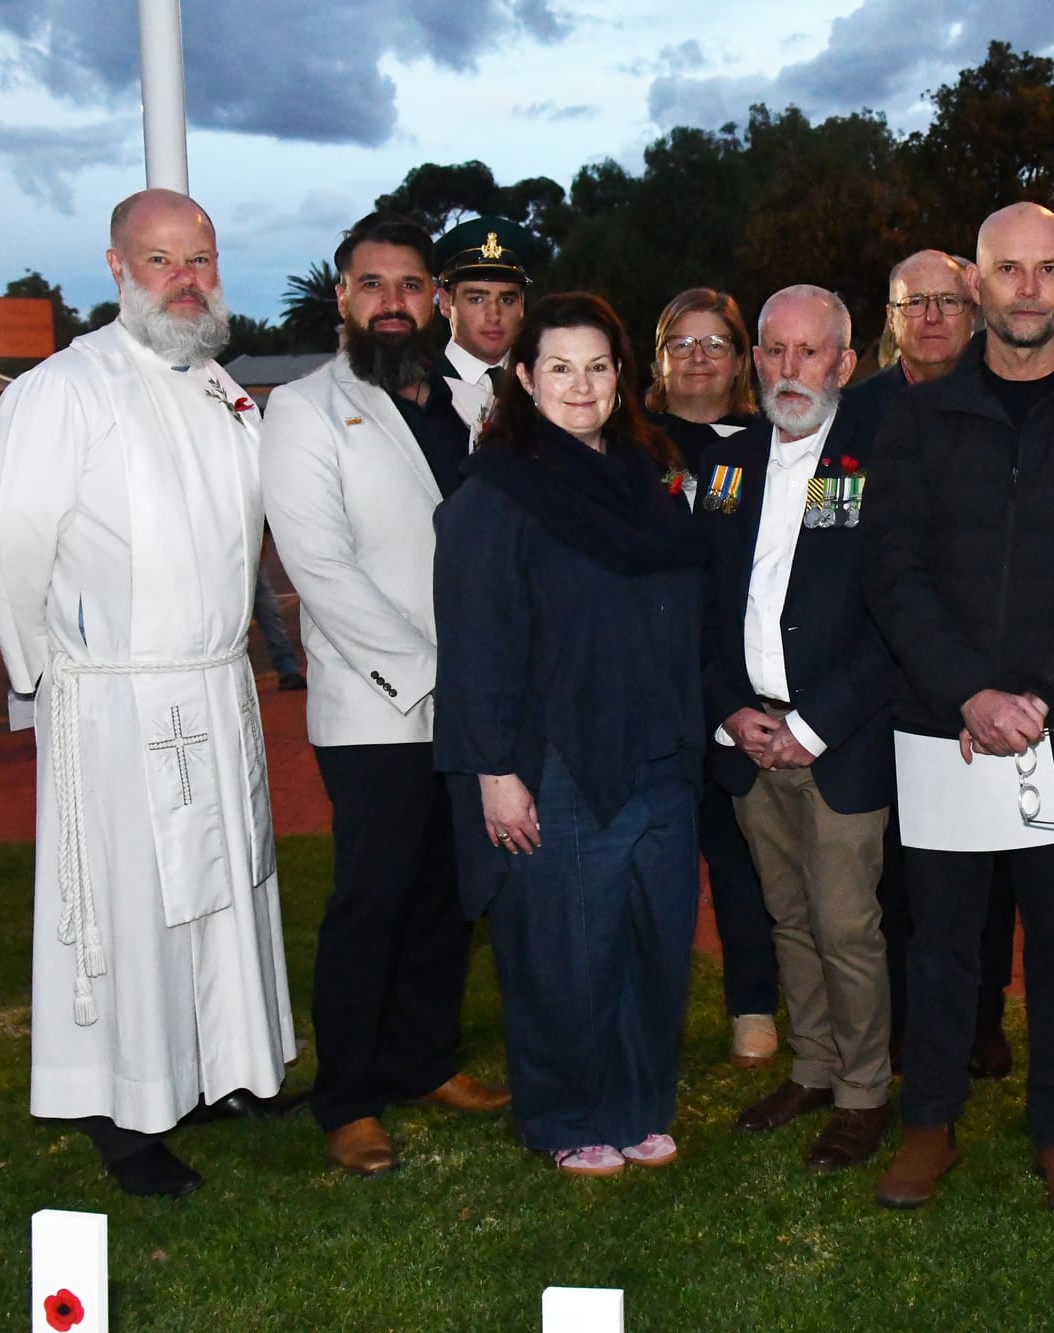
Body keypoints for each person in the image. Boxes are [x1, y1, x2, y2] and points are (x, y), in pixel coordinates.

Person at [0, 188, 297, 1198]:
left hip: (213, 689)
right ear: (116, 268)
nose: (186, 279)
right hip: (114, 703)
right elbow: (3, 543)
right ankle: (123, 1112)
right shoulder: (65, 389)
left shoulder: (224, 392)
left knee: (224, 890)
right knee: (130, 905)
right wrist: (49, 677)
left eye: (201, 258)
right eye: (161, 260)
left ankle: (222, 1069)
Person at [863, 202, 1054, 1216]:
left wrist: (1039, 695)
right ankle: (929, 1123)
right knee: (938, 942)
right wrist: (969, 691)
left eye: (1047, 270)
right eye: (1009, 269)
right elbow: (892, 570)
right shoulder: (916, 419)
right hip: (944, 727)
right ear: (977, 281)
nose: (1028, 289)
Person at [433, 292, 706, 1177]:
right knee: (567, 951)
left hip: (659, 748)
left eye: (597, 366)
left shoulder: (646, 474)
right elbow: (474, 639)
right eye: (559, 367)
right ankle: (566, 1114)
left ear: (622, 374)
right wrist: (493, 772)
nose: (580, 385)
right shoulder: (497, 492)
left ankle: (636, 1104)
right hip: (557, 759)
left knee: (651, 941)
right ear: (524, 377)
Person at [260, 213, 508, 1178]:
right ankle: (349, 1098)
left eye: (410, 285)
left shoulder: (468, 401)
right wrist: (435, 674)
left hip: (472, 701)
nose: (393, 303)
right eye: (373, 284)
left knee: (448, 894)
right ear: (343, 296)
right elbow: (320, 568)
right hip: (379, 708)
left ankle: (424, 1059)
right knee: (374, 899)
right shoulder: (304, 409)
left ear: (433, 299)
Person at [705, 286, 898, 1171]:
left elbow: (895, 617)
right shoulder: (728, 465)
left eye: (810, 352)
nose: (790, 370)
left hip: (839, 740)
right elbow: (700, 601)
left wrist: (813, 726)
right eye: (775, 351)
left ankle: (863, 1091)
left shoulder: (877, 463)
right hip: (749, 738)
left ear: (845, 364)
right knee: (787, 915)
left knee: (845, 924)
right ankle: (813, 1067)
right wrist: (727, 707)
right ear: (755, 361)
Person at [844, 249, 1013, 1078]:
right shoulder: (854, 413)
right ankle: (907, 1025)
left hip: (980, 670)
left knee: (992, 864)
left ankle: (982, 1020)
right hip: (876, 672)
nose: (934, 317)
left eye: (950, 301)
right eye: (917, 303)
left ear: (975, 312)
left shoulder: (1010, 397)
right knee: (900, 872)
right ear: (891, 318)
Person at [644, 287, 780, 1069]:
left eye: (715, 344)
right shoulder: (625, 442)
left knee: (737, 855)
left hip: (732, 681)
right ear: (659, 359)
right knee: (655, 857)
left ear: (740, 363)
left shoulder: (775, 441)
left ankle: (753, 1006)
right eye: (682, 344)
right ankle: (649, 1009)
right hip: (648, 683)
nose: (698, 359)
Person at [434, 216, 533, 389]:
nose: (494, 316)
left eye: (506, 300)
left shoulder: (542, 384)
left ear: (521, 305)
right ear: (445, 303)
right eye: (476, 299)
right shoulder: (419, 390)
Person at [252, 562, 307, 691]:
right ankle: (288, 669)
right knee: (268, 613)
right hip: (227, 564)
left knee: (269, 613)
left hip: (249, 563)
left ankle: (288, 670)